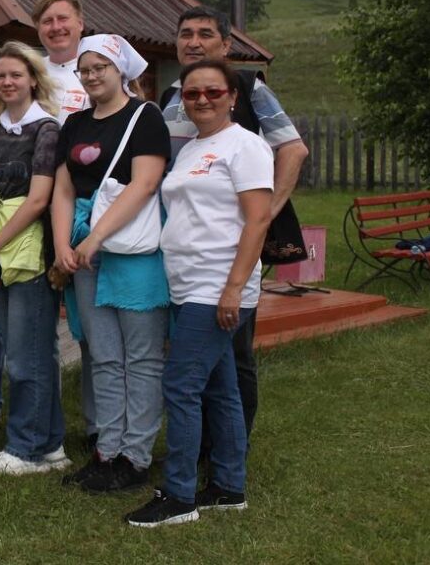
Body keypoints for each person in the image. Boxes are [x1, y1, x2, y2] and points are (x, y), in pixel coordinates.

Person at [125, 60, 272, 528]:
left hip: (218, 285)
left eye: (212, 92)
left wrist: (233, 288)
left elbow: (258, 220)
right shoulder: (191, 148)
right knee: (219, 386)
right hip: (189, 284)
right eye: (192, 94)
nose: (202, 100)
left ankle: (179, 495)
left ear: (233, 96)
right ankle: (229, 486)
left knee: (181, 385)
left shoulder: (246, 145)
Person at [160, 5, 308, 448]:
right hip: (186, 239)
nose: (194, 42)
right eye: (185, 33)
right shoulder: (171, 94)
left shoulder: (248, 87)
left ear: (226, 45)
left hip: (232, 243)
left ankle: (231, 444)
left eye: (205, 34)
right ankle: (207, 444)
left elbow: (293, 149)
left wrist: (265, 213)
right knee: (202, 352)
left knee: (236, 352)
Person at [51, 34, 171, 493]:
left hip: (132, 254)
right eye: (85, 68)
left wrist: (95, 239)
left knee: (139, 357)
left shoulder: (146, 117)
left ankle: (135, 457)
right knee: (102, 356)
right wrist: (64, 244)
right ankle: (107, 451)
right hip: (84, 253)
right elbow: (64, 188)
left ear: (120, 69)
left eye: (100, 66)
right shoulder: (75, 123)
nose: (91, 74)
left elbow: (143, 185)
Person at [0, 41, 70, 475]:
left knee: (28, 356)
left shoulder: (46, 130)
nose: (8, 82)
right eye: (1, 75)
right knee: (24, 351)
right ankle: (50, 446)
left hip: (29, 251)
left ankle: (26, 448)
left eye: (16, 75)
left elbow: (39, 199)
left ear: (32, 79)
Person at [31, 0, 96, 451]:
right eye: (47, 21)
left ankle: (98, 424)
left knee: (94, 322)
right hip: (32, 201)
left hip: (86, 201)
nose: (55, 27)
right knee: (38, 321)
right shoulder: (32, 71)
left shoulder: (97, 65)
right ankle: (43, 423)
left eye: (63, 19)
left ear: (79, 22)